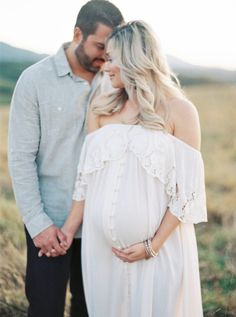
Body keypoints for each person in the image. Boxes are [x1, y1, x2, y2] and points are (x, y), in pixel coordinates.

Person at [55, 21, 208, 317]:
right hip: (101, 253)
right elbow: (85, 180)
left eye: (112, 59)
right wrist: (68, 230)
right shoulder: (101, 107)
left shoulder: (181, 111)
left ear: (134, 59)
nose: (105, 67)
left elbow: (187, 193)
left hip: (158, 253)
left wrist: (153, 245)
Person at [8, 1, 124, 317]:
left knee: (93, 310)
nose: (106, 57)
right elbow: (20, 158)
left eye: (112, 50)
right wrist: (38, 224)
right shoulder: (34, 81)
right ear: (77, 33)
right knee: (45, 309)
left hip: (101, 226)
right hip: (50, 224)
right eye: (100, 46)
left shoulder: (117, 82)